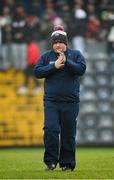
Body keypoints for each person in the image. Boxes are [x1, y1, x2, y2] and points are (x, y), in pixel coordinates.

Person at [34, 25, 86, 171]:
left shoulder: (76, 54)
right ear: (52, 43)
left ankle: (67, 164)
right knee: (50, 130)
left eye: (61, 42)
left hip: (70, 102)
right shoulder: (46, 56)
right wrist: (54, 66)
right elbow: (37, 72)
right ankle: (50, 162)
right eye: (55, 42)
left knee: (68, 133)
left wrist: (66, 61)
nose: (58, 44)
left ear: (66, 43)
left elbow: (81, 69)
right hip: (51, 102)